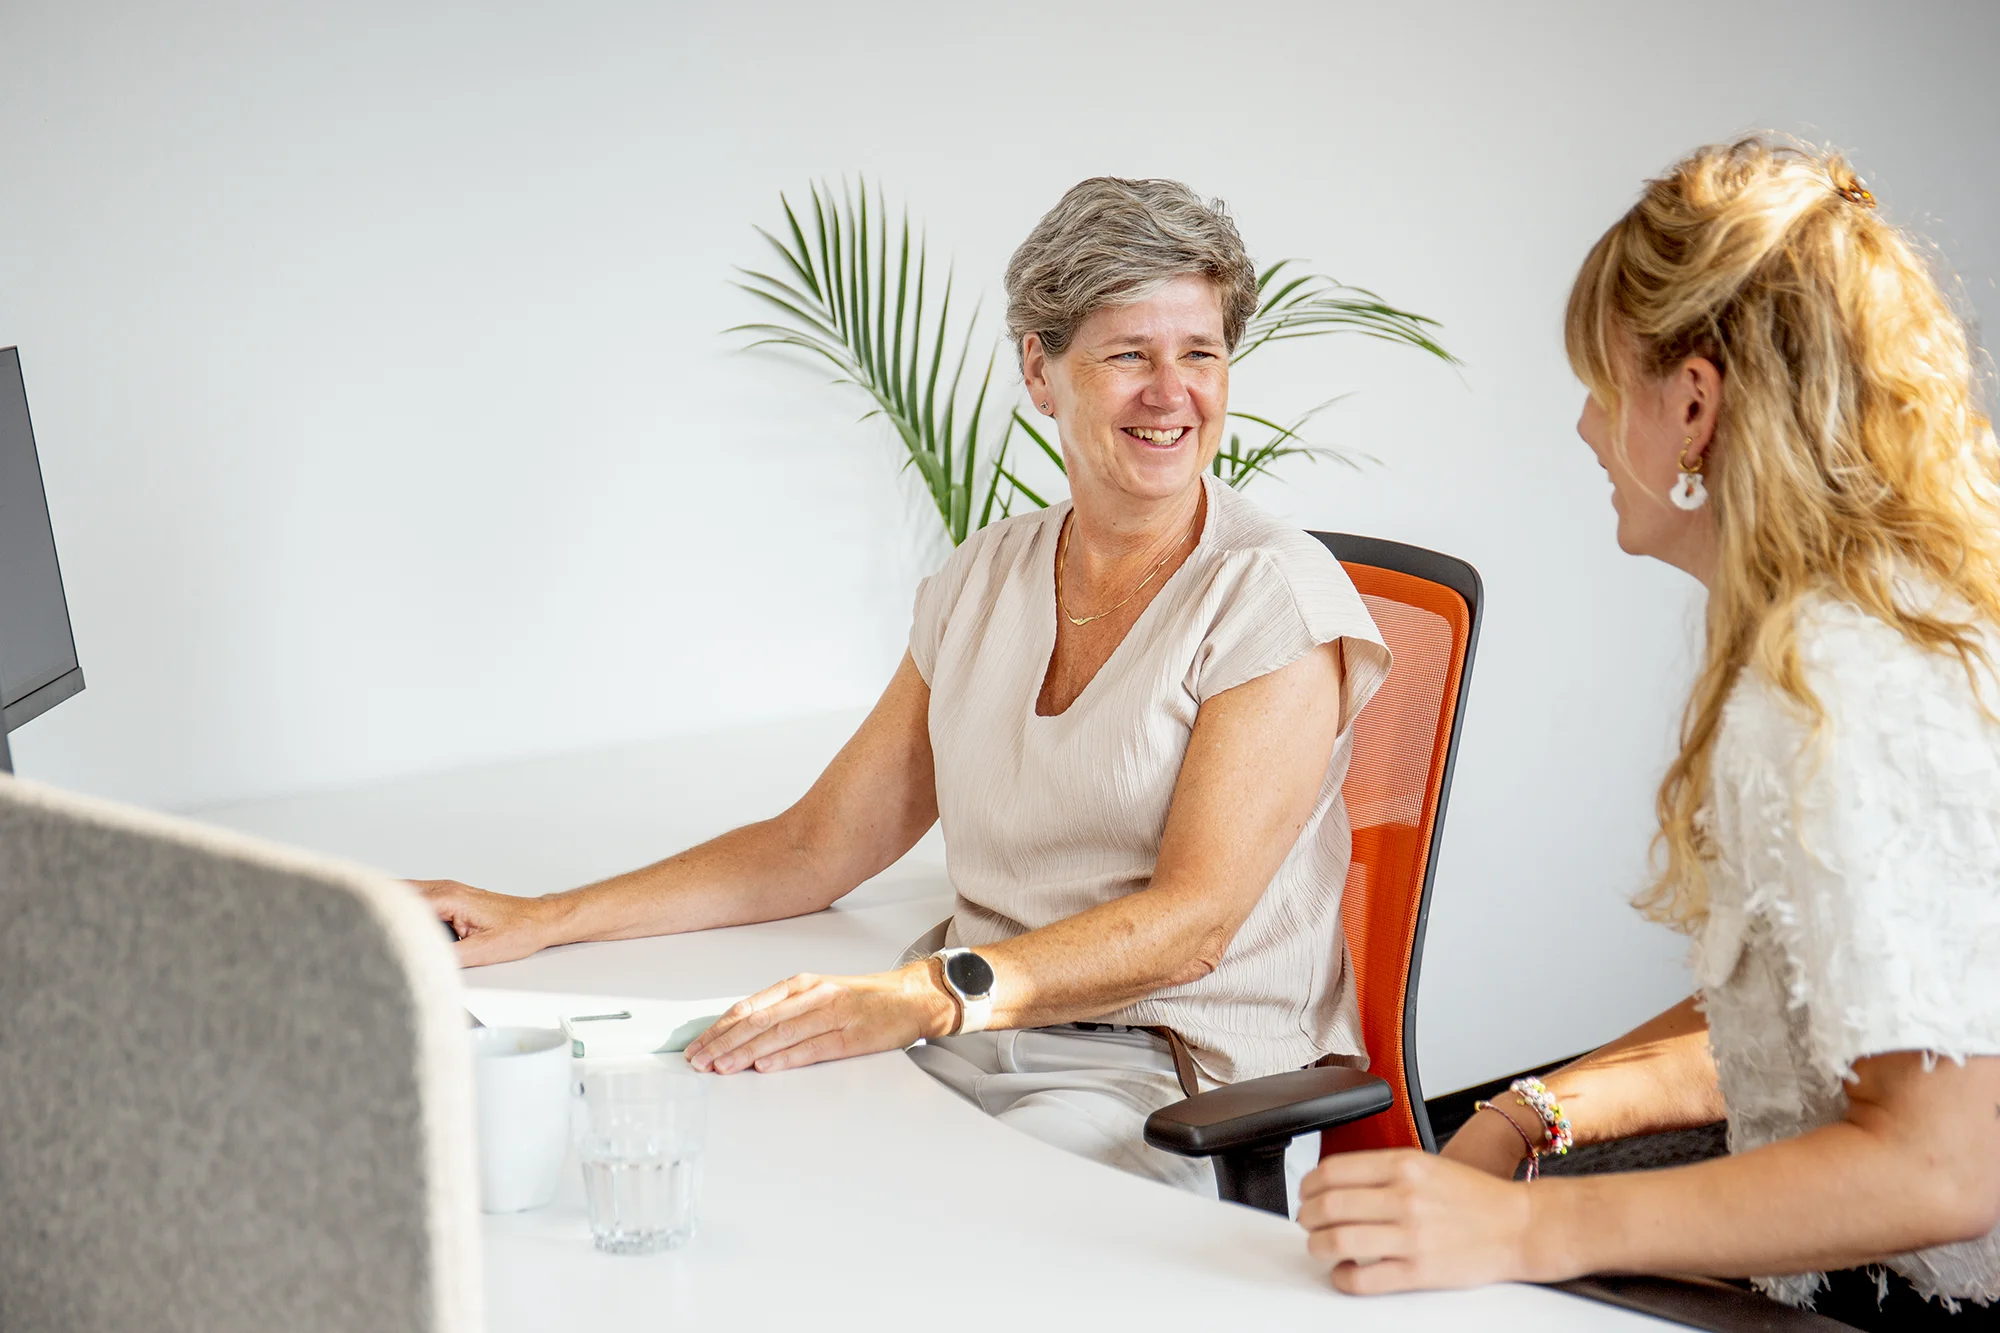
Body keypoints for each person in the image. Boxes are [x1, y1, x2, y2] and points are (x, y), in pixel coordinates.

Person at [420, 177, 1391, 1195]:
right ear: (1040, 369)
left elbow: (1190, 925)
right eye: (1127, 356)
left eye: (1199, 353)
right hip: (961, 1039)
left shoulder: (1269, 596)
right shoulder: (984, 576)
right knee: (685, 1140)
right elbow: (818, 842)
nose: (1169, 392)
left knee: (911, 1232)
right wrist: (542, 915)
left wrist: (930, 993)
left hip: (1159, 1074)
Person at [1295, 138, 2000, 1328]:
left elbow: (1940, 1166)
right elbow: (1816, 1015)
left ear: (1691, 401)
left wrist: (1527, 1223)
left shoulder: (1841, 683)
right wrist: (1530, 1114)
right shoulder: (1862, 626)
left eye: (1600, 381)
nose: (1581, 427)